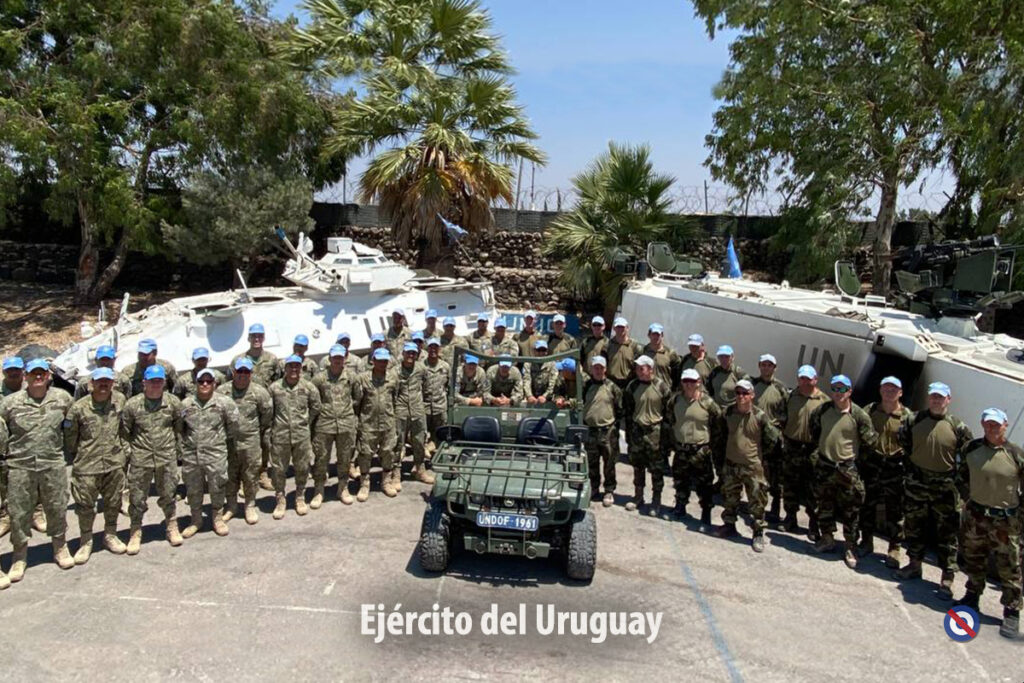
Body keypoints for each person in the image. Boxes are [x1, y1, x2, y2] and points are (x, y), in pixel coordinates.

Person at [894, 381, 973, 599]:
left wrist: (957, 484)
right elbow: (904, 442)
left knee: (947, 534)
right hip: (917, 483)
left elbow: (967, 457)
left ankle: (947, 577)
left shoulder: (958, 427)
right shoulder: (913, 420)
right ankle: (914, 564)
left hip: (945, 488)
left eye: (940, 397)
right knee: (914, 526)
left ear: (948, 399)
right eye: (933, 396)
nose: (936, 400)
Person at [1, 359, 74, 580]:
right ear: (26, 376)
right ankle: (19, 556)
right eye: (34, 373)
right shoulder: (10, 403)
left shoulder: (62, 398)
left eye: (42, 373)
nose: (38, 376)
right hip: (20, 466)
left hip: (52, 463)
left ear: (48, 376)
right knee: (19, 512)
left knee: (57, 506)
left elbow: (72, 425)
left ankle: (60, 547)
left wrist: (70, 449)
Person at [955, 408, 1023, 639]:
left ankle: (1012, 612)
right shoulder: (971, 448)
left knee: (1009, 567)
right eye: (988, 423)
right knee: (974, 558)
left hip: (1005, 521)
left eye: (996, 424)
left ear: (1005, 425)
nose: (992, 428)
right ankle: (972, 596)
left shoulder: (1015, 454)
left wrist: (1018, 517)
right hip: (977, 516)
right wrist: (967, 497)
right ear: (983, 424)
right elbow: (960, 475)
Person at [809, 374, 878, 568]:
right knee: (824, 504)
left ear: (849, 391)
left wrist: (854, 461)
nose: (838, 393)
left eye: (842, 389)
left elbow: (870, 443)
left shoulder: (859, 416)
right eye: (835, 389)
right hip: (825, 465)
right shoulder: (823, 410)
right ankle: (827, 538)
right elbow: (814, 431)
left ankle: (850, 546)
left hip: (847, 468)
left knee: (851, 510)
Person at [64, 368, 128, 564]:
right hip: (87, 466)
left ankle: (110, 535)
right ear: (91, 384)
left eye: (107, 381)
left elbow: (124, 428)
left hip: (114, 462)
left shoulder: (120, 401)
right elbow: (70, 439)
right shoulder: (78, 408)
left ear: (113, 383)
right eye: (99, 381)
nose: (103, 384)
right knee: (85, 506)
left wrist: (123, 451)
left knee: (113, 502)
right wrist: (83, 454)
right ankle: (86, 540)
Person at [120, 364, 184, 555]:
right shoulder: (132, 405)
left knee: (169, 494)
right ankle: (135, 531)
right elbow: (124, 432)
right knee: (137, 497)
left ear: (164, 382)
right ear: (144, 383)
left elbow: (178, 427)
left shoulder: (173, 402)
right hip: (141, 458)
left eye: (159, 381)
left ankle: (171, 525)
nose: (156, 384)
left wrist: (176, 451)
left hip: (166, 457)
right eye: (152, 381)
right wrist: (130, 453)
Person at [718, 379, 780, 552]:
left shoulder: (760, 416)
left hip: (753, 467)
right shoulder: (728, 413)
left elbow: (772, 440)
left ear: (752, 395)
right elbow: (720, 434)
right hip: (731, 464)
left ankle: (758, 533)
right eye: (738, 393)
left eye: (745, 393)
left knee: (757, 502)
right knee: (730, 497)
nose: (741, 396)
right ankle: (729, 525)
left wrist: (761, 458)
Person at [859, 376, 913, 568]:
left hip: (895, 467)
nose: (889, 392)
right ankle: (866, 541)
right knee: (867, 504)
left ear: (901, 393)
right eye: (886, 388)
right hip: (873, 463)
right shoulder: (870, 410)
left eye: (894, 389)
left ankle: (894, 548)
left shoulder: (908, 417)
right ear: (880, 390)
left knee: (895, 510)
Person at [179, 368, 239, 538]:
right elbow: (180, 428)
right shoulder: (186, 404)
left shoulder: (225, 403)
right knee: (193, 489)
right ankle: (196, 520)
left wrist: (217, 442)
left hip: (215, 454)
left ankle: (217, 519)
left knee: (217, 487)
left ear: (214, 383)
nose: (205, 384)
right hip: (192, 456)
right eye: (201, 381)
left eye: (208, 381)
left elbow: (233, 426)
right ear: (196, 383)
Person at [666, 368, 723, 527]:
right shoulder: (675, 400)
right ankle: (680, 506)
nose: (689, 385)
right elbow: (670, 421)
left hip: (700, 451)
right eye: (686, 381)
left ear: (698, 382)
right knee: (680, 480)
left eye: (692, 381)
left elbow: (718, 426)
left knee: (704, 484)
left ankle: (706, 512)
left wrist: (710, 446)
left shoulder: (708, 403)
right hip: (681, 449)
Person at [218, 357, 272, 524]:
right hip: (228, 442)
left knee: (250, 475)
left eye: (246, 371)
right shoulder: (222, 392)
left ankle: (250, 505)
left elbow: (266, 416)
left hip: (250, 442)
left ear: (251, 373)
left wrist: (254, 432)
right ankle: (231, 506)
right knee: (230, 474)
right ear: (233, 372)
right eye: (239, 371)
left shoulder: (259, 392)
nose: (242, 374)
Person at [268, 355, 322, 519]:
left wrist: (305, 422)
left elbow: (316, 407)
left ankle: (300, 497)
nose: (293, 369)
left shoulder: (308, 387)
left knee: (302, 467)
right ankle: (280, 499)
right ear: (285, 368)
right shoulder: (275, 388)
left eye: (296, 366)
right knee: (278, 470)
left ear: (300, 368)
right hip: (280, 436)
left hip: (301, 436)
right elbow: (268, 411)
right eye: (290, 366)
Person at [781, 365, 830, 539]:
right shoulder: (790, 396)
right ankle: (790, 518)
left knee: (813, 488)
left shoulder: (824, 401)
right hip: (792, 446)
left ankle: (813, 524)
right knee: (790, 485)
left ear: (815, 380)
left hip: (812, 448)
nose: (804, 382)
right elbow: (782, 417)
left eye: (808, 379)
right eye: (802, 378)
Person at [232, 323, 280, 492]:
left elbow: (277, 381)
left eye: (259, 336)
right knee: (242, 445)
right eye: (254, 336)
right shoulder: (238, 360)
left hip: (265, 407)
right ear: (249, 338)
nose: (257, 339)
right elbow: (231, 381)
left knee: (265, 442)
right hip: (245, 407)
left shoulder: (272, 359)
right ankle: (243, 478)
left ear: (264, 338)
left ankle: (262, 473)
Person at [623, 355, 672, 516]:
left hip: (655, 433)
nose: (638, 371)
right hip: (637, 431)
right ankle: (638, 497)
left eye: (641, 368)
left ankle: (656, 501)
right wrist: (629, 434)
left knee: (656, 469)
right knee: (638, 466)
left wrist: (666, 438)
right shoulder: (632, 386)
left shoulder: (662, 387)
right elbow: (628, 411)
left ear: (650, 369)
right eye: (637, 368)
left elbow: (669, 413)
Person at [312, 346, 360, 503]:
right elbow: (313, 400)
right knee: (321, 458)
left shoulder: (352, 377)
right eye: (335, 357)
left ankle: (343, 488)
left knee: (345, 458)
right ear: (329, 358)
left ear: (345, 359)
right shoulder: (319, 379)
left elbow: (357, 398)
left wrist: (346, 411)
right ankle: (319, 490)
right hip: (324, 425)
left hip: (346, 424)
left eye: (340, 357)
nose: (338, 360)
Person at [355, 349, 400, 496]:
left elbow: (395, 399)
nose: (382, 363)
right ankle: (364, 484)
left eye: (385, 361)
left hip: (388, 423)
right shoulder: (362, 379)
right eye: (379, 360)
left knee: (388, 452)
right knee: (365, 454)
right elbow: (357, 402)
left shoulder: (393, 378)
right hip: (368, 424)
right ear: (373, 361)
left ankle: (386, 482)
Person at [752, 353, 789, 522]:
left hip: (773, 437)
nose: (766, 368)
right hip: (755, 434)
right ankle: (757, 506)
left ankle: (775, 508)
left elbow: (786, 414)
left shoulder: (781, 389)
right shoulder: (753, 385)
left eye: (769, 365)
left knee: (775, 475)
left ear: (775, 368)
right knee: (756, 472)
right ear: (759, 366)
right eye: (763, 365)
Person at [581, 356, 621, 507]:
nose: (598, 370)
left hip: (607, 431)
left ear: (605, 369)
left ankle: (609, 490)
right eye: (595, 368)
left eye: (601, 368)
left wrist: (614, 427)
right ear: (591, 369)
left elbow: (620, 408)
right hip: (590, 430)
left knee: (609, 463)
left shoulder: (612, 387)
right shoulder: (586, 386)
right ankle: (594, 488)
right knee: (592, 462)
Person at [395, 342, 434, 487]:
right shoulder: (395, 371)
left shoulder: (421, 369)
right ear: (403, 353)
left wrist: (423, 405)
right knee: (398, 442)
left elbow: (427, 388)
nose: (411, 355)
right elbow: (392, 391)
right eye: (408, 353)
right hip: (401, 410)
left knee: (419, 441)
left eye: (413, 353)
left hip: (417, 410)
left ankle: (420, 470)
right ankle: (396, 473)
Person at [0, 356, 26, 538]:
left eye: (17, 369)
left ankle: (37, 512)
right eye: (10, 370)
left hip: (27, 443)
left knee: (34, 480)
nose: (14, 373)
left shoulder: (31, 389)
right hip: (4, 446)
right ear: (4, 372)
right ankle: (6, 516)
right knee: (4, 482)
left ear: (22, 371)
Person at [422, 338, 450, 456]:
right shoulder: (421, 366)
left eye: (436, 347)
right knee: (422, 434)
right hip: (424, 406)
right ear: (427, 349)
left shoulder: (445, 366)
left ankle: (438, 457)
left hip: (440, 406)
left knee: (441, 434)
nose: (433, 350)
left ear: (439, 349)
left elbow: (449, 386)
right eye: (431, 347)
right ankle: (420, 460)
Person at [606, 318, 643, 388]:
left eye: (622, 327)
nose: (620, 329)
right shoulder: (608, 344)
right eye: (618, 327)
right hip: (610, 382)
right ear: (614, 328)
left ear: (627, 328)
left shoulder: (635, 346)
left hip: (627, 384)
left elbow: (639, 366)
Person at [642, 323, 681, 387]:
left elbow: (677, 373)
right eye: (653, 334)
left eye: (658, 335)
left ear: (662, 335)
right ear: (649, 335)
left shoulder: (670, 353)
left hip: (665, 390)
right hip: (647, 389)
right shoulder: (643, 352)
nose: (656, 337)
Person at [523, 339, 557, 405]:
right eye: (538, 350)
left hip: (547, 397)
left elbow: (553, 382)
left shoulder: (552, 364)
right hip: (531, 397)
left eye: (543, 350)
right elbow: (526, 380)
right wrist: (529, 395)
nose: (541, 353)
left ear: (547, 351)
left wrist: (545, 396)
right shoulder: (528, 363)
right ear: (534, 351)